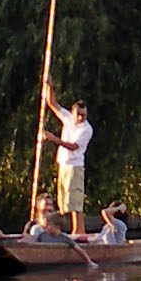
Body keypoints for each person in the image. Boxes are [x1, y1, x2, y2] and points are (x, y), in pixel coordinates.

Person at [50, 96, 97, 238]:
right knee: (64, 200)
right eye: (79, 115)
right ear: (73, 112)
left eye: (84, 115)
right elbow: (52, 103)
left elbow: (73, 146)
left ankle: (79, 231)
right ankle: (69, 230)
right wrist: (49, 83)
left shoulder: (87, 129)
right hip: (63, 164)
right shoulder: (68, 118)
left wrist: (53, 138)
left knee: (75, 199)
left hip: (75, 166)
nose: (82, 118)